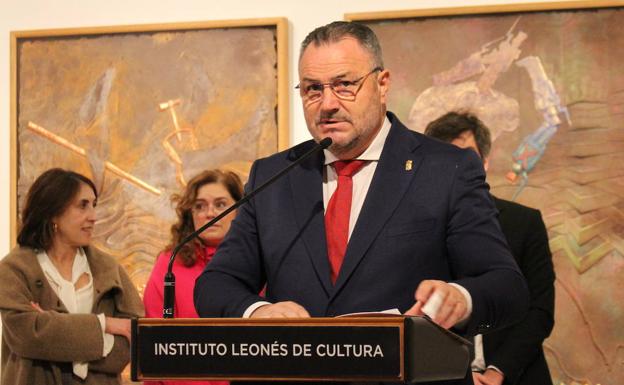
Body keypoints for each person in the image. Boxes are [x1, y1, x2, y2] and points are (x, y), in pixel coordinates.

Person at [195, 21, 529, 385]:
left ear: (382, 84)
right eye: (312, 89)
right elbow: (216, 284)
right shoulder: (274, 176)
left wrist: (461, 298)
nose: (327, 104)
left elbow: (506, 286)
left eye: (344, 85)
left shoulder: (446, 169)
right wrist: (257, 312)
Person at [425, 111, 555, 385]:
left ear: (484, 162)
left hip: (516, 376)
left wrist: (498, 371)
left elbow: (540, 311)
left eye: (464, 157)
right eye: (443, 158)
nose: (454, 167)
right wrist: (459, 373)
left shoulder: (525, 222)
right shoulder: (416, 229)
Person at [0, 168, 144, 385]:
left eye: (94, 205)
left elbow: (130, 343)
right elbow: (27, 337)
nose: (93, 216)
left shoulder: (109, 269)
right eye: (83, 205)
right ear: (53, 212)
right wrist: (106, 325)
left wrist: (53, 330)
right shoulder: (14, 269)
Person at [143, 169, 243, 385]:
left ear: (239, 209)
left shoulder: (259, 262)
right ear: (190, 215)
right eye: (200, 206)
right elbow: (155, 341)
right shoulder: (170, 263)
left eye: (220, 204)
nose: (209, 213)